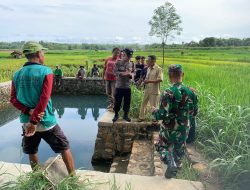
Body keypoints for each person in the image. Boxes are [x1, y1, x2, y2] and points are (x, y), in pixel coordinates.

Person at [10, 41, 75, 175]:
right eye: (43, 52)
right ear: (39, 54)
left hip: (26, 121)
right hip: (45, 120)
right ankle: (73, 178)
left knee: (31, 150)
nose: (43, 55)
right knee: (64, 146)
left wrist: (29, 112)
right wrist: (35, 121)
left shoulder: (17, 74)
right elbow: (44, 98)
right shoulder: (46, 71)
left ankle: (37, 178)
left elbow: (13, 99)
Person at [152, 64, 198, 178]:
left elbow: (162, 114)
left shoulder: (168, 92)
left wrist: (154, 112)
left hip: (169, 128)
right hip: (184, 129)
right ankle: (174, 170)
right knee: (179, 150)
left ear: (169, 76)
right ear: (183, 74)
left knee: (161, 146)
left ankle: (170, 163)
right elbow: (194, 113)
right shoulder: (192, 93)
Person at [138, 55, 163, 122]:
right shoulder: (148, 68)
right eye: (147, 60)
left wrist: (149, 81)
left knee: (154, 106)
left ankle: (154, 120)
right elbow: (146, 79)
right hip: (147, 90)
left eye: (148, 60)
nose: (147, 62)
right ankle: (142, 118)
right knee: (144, 104)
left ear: (153, 61)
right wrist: (141, 84)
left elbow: (160, 79)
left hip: (154, 91)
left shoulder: (158, 69)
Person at [113, 48, 133, 122]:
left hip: (127, 86)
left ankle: (125, 115)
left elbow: (132, 73)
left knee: (127, 102)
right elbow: (115, 73)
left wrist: (131, 75)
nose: (129, 58)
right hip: (119, 86)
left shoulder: (131, 63)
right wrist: (122, 73)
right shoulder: (117, 63)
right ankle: (116, 115)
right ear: (123, 55)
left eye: (130, 57)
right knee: (117, 102)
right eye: (127, 56)